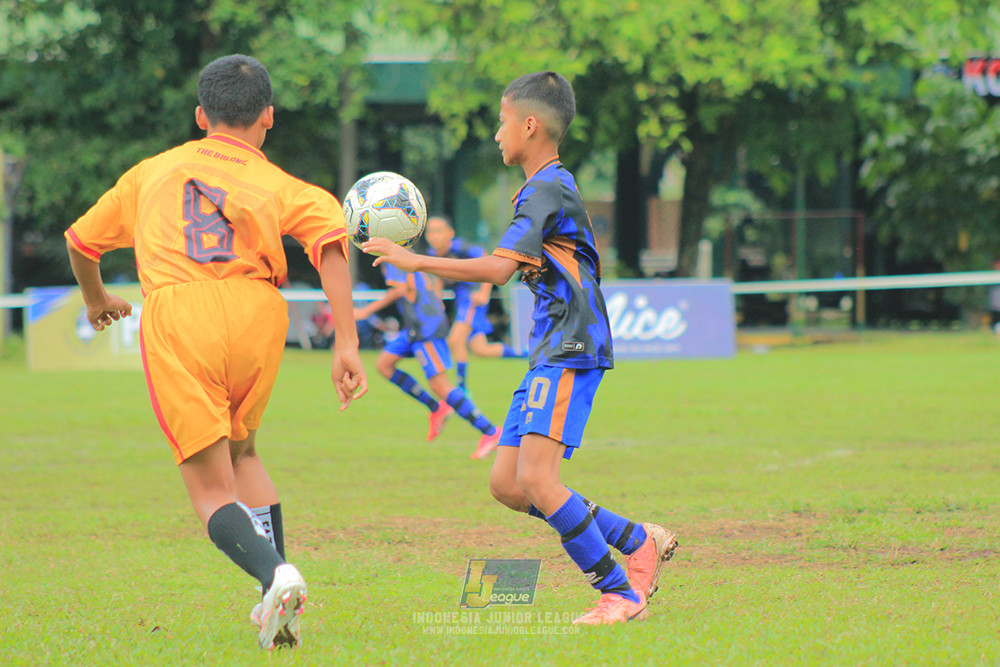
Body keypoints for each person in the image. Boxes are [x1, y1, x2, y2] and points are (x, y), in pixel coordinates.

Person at [64, 54, 367, 650]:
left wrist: (97, 299)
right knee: (244, 451)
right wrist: (347, 342)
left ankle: (274, 574)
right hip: (258, 310)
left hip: (183, 311)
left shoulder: (151, 171)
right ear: (269, 117)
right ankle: (273, 605)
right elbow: (331, 243)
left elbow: (80, 239)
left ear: (202, 114)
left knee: (209, 489)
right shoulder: (280, 184)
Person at [362, 71, 678, 625]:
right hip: (551, 348)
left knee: (537, 478)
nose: (496, 134)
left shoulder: (545, 188)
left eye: (502, 121)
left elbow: (499, 270)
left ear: (530, 125)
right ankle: (637, 538)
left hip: (571, 345)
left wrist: (415, 260)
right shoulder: (544, 186)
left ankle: (620, 593)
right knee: (507, 483)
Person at [355, 263, 502, 459]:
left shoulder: (393, 250)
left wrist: (366, 311)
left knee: (441, 386)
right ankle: (436, 407)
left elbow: (400, 289)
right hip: (415, 327)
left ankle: (491, 432)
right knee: (384, 364)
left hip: (427, 328)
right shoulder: (401, 249)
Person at [424, 215, 524, 391]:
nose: (434, 236)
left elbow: (488, 260)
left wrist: (484, 292)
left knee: (455, 340)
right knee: (480, 349)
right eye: (430, 232)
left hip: (471, 299)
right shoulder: (434, 253)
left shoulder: (462, 248)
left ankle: (462, 389)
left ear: (450, 233)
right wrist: (437, 297)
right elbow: (439, 275)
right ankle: (525, 354)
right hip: (460, 301)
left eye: (439, 231)